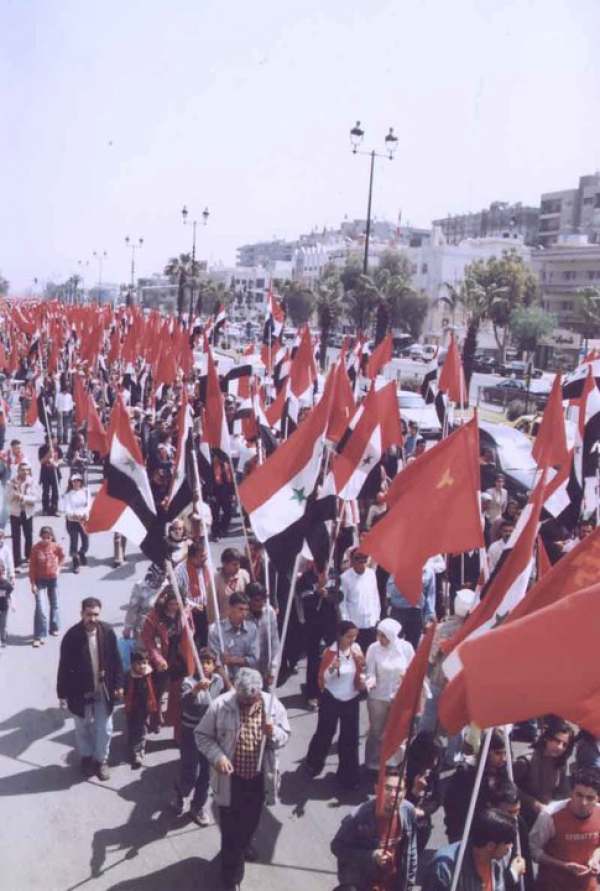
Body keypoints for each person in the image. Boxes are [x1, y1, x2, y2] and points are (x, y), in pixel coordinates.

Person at [195, 667, 291, 890]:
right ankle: (231, 878)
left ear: (259, 693)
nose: (247, 704)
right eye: (243, 699)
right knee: (229, 833)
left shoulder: (273, 705)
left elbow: (285, 736)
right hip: (230, 781)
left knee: (250, 823)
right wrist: (218, 757)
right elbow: (202, 736)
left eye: (251, 699)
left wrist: (273, 733)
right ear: (236, 691)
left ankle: (243, 844)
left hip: (258, 780)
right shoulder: (220, 706)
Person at [57, 597, 124, 781]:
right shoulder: (72, 636)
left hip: (103, 687)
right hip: (80, 691)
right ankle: (87, 758)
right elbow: (64, 666)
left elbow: (117, 661)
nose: (92, 619)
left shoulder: (107, 631)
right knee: (83, 727)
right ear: (82, 614)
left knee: (105, 728)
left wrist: (118, 685)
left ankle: (101, 760)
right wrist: (62, 693)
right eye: (89, 614)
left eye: (95, 614)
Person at [330, 768, 418, 891]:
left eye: (398, 789)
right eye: (388, 788)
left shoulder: (408, 811)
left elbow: (411, 850)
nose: (393, 794)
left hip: (392, 884)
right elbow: (337, 847)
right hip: (362, 884)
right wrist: (372, 856)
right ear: (377, 789)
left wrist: (408, 885)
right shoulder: (358, 817)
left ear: (404, 792)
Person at [170, 647, 228, 826]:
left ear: (214, 665)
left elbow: (227, 699)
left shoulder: (218, 680)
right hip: (191, 732)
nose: (204, 666)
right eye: (201, 662)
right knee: (191, 773)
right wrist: (196, 690)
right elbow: (185, 705)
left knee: (206, 772)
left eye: (208, 663)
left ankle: (198, 806)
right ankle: (181, 791)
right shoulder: (188, 682)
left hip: (210, 734)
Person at [305, 620, 365, 790]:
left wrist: (362, 661)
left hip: (351, 698)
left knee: (350, 738)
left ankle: (348, 776)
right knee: (325, 732)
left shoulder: (356, 649)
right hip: (332, 698)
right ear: (340, 636)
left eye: (354, 636)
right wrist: (332, 668)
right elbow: (323, 678)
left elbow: (362, 668)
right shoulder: (330, 653)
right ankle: (314, 762)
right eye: (349, 637)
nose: (352, 640)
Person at [529, 767, 600, 890]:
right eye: (579, 795)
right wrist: (563, 865)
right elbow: (533, 849)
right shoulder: (550, 814)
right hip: (553, 885)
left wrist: (595, 859)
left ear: (597, 798)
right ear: (571, 791)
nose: (583, 802)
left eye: (590, 798)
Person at [422, 807, 517, 890]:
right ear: (490, 846)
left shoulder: (498, 861)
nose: (511, 846)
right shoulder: (445, 868)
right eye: (508, 842)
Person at [364, 617, 415, 771]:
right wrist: (370, 681)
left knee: (397, 732)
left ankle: (393, 763)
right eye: (378, 635)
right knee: (376, 732)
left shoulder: (406, 648)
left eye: (383, 636)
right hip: (378, 698)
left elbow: (413, 670)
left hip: (399, 699)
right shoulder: (373, 648)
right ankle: (373, 762)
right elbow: (370, 672)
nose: (380, 639)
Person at [444, 729, 509, 843]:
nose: (503, 759)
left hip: (492, 827)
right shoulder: (466, 772)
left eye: (505, 753)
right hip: (465, 830)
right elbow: (452, 807)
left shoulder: (503, 771)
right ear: (486, 751)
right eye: (498, 753)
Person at [513, 715, 574, 828]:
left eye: (565, 745)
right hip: (525, 818)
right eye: (557, 741)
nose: (560, 747)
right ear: (547, 738)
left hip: (549, 816)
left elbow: (564, 791)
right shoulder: (526, 761)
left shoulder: (560, 763)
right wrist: (533, 803)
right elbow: (510, 786)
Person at [482, 776, 534, 891]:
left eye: (517, 811)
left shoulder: (519, 823)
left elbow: (526, 862)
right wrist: (513, 874)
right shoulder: (483, 833)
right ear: (493, 809)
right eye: (509, 813)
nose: (514, 818)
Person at [207, 591, 259, 682]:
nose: (244, 614)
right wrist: (229, 686)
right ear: (230, 608)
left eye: (246, 610)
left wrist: (232, 660)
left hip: (247, 679)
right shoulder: (215, 630)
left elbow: (254, 658)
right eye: (240, 609)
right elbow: (216, 662)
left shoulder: (252, 629)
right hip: (223, 680)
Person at [405, 731, 443, 854]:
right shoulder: (404, 776)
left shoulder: (432, 774)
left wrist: (424, 811)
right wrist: (414, 792)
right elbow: (398, 806)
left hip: (422, 825)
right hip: (404, 828)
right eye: (430, 760)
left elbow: (436, 800)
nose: (435, 763)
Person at [29, 525, 65, 647]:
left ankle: (54, 626)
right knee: (41, 608)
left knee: (54, 604)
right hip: (40, 581)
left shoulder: (55, 547)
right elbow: (32, 567)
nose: (46, 540)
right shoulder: (36, 549)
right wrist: (33, 584)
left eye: (48, 537)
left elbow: (62, 557)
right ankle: (39, 635)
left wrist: (59, 569)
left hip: (52, 579)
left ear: (51, 537)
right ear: (41, 537)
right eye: (44, 537)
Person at [339, 548, 381, 652]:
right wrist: (347, 624)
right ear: (352, 561)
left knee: (370, 654)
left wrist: (376, 618)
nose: (362, 562)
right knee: (356, 655)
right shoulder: (345, 578)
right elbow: (342, 603)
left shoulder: (371, 574)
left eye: (364, 559)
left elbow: (375, 597)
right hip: (354, 625)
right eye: (358, 559)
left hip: (370, 623)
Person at [387, 563, 436, 650]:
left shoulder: (428, 571)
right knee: (395, 643)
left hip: (417, 611)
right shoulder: (399, 567)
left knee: (413, 645)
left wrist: (430, 615)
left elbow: (430, 594)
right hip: (399, 611)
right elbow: (390, 589)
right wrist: (407, 583)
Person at [124, 648, 158, 769]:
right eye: (138, 663)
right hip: (132, 709)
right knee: (133, 729)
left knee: (142, 729)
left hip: (145, 709)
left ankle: (138, 752)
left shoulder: (150, 674)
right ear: (133, 664)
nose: (142, 666)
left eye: (144, 663)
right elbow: (125, 691)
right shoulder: (128, 676)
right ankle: (133, 748)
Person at [246, 582, 279, 686]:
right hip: (247, 671)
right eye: (257, 600)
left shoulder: (270, 612)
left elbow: (274, 643)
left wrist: (273, 670)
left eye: (263, 600)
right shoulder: (243, 615)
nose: (261, 603)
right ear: (248, 599)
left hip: (266, 669)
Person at [122, 564, 166, 641]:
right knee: (142, 651)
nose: (162, 577)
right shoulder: (141, 586)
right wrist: (127, 628)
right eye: (160, 574)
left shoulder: (166, 586)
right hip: (143, 627)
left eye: (164, 574)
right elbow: (132, 608)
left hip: (161, 627)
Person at [8, 462, 37, 570]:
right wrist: (14, 490)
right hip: (15, 513)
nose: (25, 472)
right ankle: (17, 563)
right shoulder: (11, 482)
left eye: (27, 470)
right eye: (23, 470)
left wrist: (23, 497)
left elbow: (35, 497)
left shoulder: (32, 481)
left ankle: (28, 555)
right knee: (16, 539)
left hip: (27, 513)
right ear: (18, 471)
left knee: (28, 536)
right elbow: (6, 498)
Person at [62, 473, 90, 573]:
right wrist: (74, 515)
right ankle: (75, 562)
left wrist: (85, 514)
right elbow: (67, 509)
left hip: (84, 521)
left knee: (86, 542)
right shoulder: (68, 495)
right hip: (72, 522)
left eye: (78, 481)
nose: (76, 483)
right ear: (71, 482)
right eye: (74, 481)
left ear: (81, 482)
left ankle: (82, 552)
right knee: (74, 542)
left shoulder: (86, 492)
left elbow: (88, 505)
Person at [213, 548, 251, 622]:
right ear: (224, 564)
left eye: (238, 564)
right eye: (234, 564)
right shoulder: (215, 580)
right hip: (224, 624)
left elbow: (249, 599)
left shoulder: (244, 575)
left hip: (244, 622)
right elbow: (212, 608)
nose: (237, 567)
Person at [0, 559, 14, 647]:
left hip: (4, 607)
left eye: (0, 573)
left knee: (3, 624)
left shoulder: (6, 584)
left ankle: (3, 639)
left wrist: (13, 604)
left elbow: (10, 594)